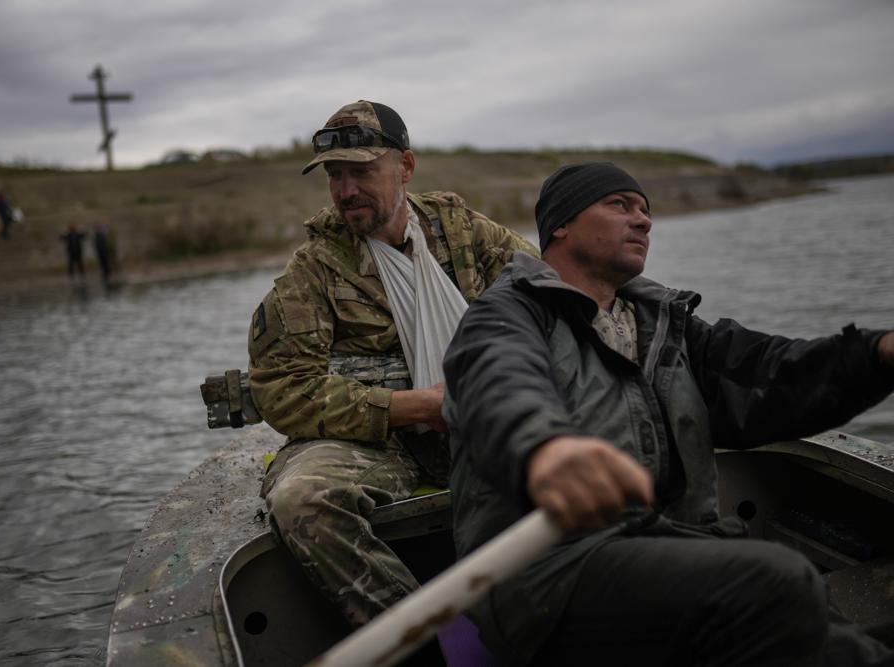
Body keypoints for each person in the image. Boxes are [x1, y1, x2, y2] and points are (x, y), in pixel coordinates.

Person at [442, 162, 894, 666]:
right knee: (776, 579)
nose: (643, 221)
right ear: (561, 225)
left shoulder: (667, 326)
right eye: (619, 205)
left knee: (842, 642)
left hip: (669, 546)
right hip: (545, 574)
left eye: (645, 210)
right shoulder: (506, 314)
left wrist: (877, 355)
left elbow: (772, 373)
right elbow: (499, 383)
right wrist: (544, 448)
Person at [247, 100, 537, 628]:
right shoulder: (316, 268)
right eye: (335, 175)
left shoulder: (464, 235)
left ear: (405, 166)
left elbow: (550, 300)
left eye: (361, 171)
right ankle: (429, 643)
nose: (345, 190)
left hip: (488, 421)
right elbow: (284, 390)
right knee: (302, 501)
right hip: (381, 445)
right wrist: (415, 405)